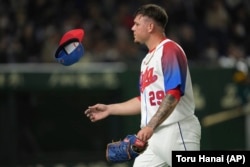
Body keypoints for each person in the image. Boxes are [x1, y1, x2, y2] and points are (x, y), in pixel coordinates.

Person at [85, 4, 201, 167]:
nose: (132, 28)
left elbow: (173, 94)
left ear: (150, 26)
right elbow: (144, 100)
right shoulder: (147, 60)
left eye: (137, 24)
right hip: (152, 138)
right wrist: (110, 109)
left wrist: (151, 126)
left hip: (177, 130)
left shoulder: (169, 49)